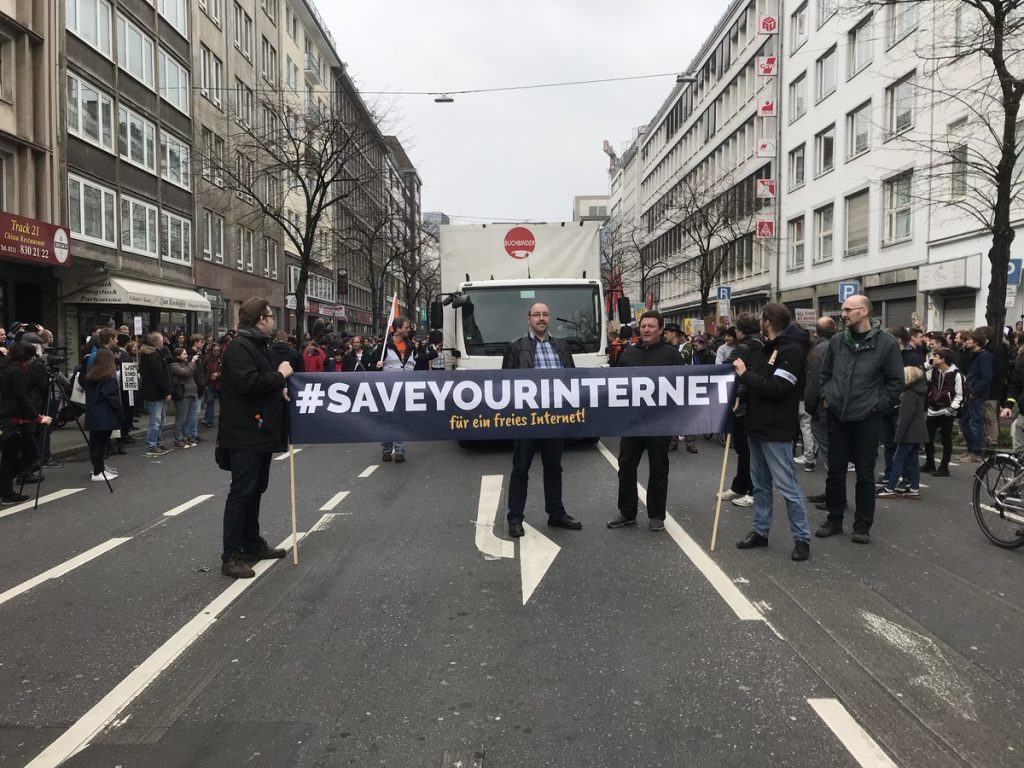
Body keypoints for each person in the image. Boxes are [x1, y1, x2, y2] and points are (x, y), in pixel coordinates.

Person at [816, 295, 903, 544]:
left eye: (847, 310)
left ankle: (863, 525)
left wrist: (876, 407)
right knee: (835, 471)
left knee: (865, 473)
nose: (842, 314)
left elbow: (896, 382)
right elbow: (825, 374)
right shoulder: (836, 341)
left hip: (867, 419)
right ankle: (834, 519)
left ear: (864, 311)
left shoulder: (886, 344)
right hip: (837, 416)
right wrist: (827, 397)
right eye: (843, 310)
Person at [218, 297, 294, 579]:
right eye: (271, 316)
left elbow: (258, 383)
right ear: (261, 319)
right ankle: (231, 555)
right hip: (245, 434)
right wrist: (279, 376)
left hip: (258, 433)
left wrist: (278, 391)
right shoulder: (240, 347)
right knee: (241, 493)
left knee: (255, 490)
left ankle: (251, 543)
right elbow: (249, 383)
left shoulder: (256, 346)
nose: (274, 320)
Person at [733, 304, 812, 561]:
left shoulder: (792, 350)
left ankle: (802, 538)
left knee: (788, 486)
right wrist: (741, 396)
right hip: (757, 425)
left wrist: (744, 377)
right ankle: (760, 530)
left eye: (762, 319)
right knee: (760, 485)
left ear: (767, 321)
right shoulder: (767, 347)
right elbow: (758, 376)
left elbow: (778, 387)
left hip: (777, 429)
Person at [502, 302, 580, 537]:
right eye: (536, 314)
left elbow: (572, 380)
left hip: (555, 417)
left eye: (545, 314)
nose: (541, 318)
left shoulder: (561, 346)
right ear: (529, 319)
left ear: (550, 318)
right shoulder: (515, 347)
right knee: (520, 469)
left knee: (554, 468)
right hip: (527, 419)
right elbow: (505, 385)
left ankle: (556, 513)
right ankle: (515, 518)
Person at [607, 311, 683, 532]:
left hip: (660, 422)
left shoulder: (672, 355)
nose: (647, 330)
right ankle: (627, 512)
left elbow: (683, 386)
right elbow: (616, 386)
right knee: (626, 466)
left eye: (651, 326)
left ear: (660, 329)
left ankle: (657, 515)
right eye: (643, 326)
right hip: (632, 422)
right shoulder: (628, 353)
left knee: (659, 469)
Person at [718, 313, 763, 508]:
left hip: (742, 405)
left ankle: (752, 490)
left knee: (746, 450)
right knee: (746, 450)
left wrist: (736, 396)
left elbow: (726, 370)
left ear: (741, 330)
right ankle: (740, 486)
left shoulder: (744, 348)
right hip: (752, 402)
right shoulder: (762, 344)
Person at [0, 343, 53, 504]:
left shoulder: (8, 369)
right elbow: (22, 398)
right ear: (26, 357)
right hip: (17, 421)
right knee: (32, 454)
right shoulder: (17, 373)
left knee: (9, 457)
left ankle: (6, 490)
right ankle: (4, 486)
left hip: (9, 420)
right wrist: (38, 418)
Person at [372, 317, 422, 463]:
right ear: (398, 328)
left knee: (400, 420)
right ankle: (387, 449)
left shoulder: (411, 347)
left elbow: (417, 365)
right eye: (406, 327)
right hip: (387, 389)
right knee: (388, 420)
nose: (408, 329)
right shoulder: (384, 347)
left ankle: (399, 451)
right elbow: (370, 364)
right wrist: (377, 364)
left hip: (405, 390)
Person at [878, 366, 928, 499]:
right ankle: (914, 488)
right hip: (918, 431)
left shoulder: (909, 394)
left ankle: (890, 488)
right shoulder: (920, 391)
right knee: (913, 459)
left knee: (898, 459)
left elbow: (905, 417)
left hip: (908, 432)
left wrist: (898, 435)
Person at [802, 317, 837, 496]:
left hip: (822, 408)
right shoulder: (839, 345)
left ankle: (833, 494)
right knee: (833, 452)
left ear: (817, 331)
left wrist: (810, 406)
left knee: (829, 453)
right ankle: (834, 492)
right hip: (835, 405)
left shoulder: (818, 350)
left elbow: (814, 380)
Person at [83, 348, 123, 482]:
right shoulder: (108, 379)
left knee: (95, 443)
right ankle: (98, 471)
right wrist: (120, 413)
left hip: (93, 414)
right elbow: (113, 399)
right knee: (101, 444)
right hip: (105, 415)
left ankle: (97, 467)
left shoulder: (90, 376)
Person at [923, 348, 964, 476]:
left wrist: (951, 409)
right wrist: (929, 363)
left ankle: (944, 467)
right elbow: (920, 372)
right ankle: (930, 463)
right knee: (927, 438)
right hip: (933, 409)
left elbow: (960, 394)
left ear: (943, 359)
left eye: (935, 356)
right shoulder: (934, 370)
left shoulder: (957, 374)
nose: (933, 358)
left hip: (946, 411)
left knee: (946, 439)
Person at [663, 322, 699, 453]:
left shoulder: (687, 346)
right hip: (671, 382)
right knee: (672, 413)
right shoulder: (666, 347)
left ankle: (690, 442)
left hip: (685, 382)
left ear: (674, 334)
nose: (665, 335)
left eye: (667, 333)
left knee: (687, 413)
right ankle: (673, 441)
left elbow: (680, 357)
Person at [957, 330, 991, 462]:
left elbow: (987, 377)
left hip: (976, 395)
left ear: (976, 342)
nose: (967, 342)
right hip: (969, 393)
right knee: (963, 421)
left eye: (969, 340)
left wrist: (974, 391)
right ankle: (971, 449)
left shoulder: (984, 356)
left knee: (976, 424)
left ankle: (976, 453)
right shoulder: (973, 354)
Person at [139, 332, 173, 457]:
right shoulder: (154, 356)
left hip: (155, 391)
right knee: (156, 420)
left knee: (161, 419)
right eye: (161, 340)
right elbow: (159, 376)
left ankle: (158, 442)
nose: (163, 341)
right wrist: (166, 391)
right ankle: (152, 445)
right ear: (156, 342)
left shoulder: (153, 354)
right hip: (155, 392)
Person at [169, 347, 199, 449]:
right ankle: (177, 440)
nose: (186, 356)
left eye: (186, 354)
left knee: (188, 419)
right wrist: (193, 362)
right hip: (183, 394)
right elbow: (187, 373)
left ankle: (184, 438)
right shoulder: (174, 365)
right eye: (184, 354)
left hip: (191, 393)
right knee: (181, 419)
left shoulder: (186, 364)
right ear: (178, 356)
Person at [201, 342, 222, 426]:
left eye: (218, 350)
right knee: (210, 401)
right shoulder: (207, 358)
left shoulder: (223, 357)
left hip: (221, 383)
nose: (216, 352)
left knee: (223, 402)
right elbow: (203, 370)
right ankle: (209, 420)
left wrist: (218, 374)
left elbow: (228, 370)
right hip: (210, 383)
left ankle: (224, 419)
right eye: (214, 350)